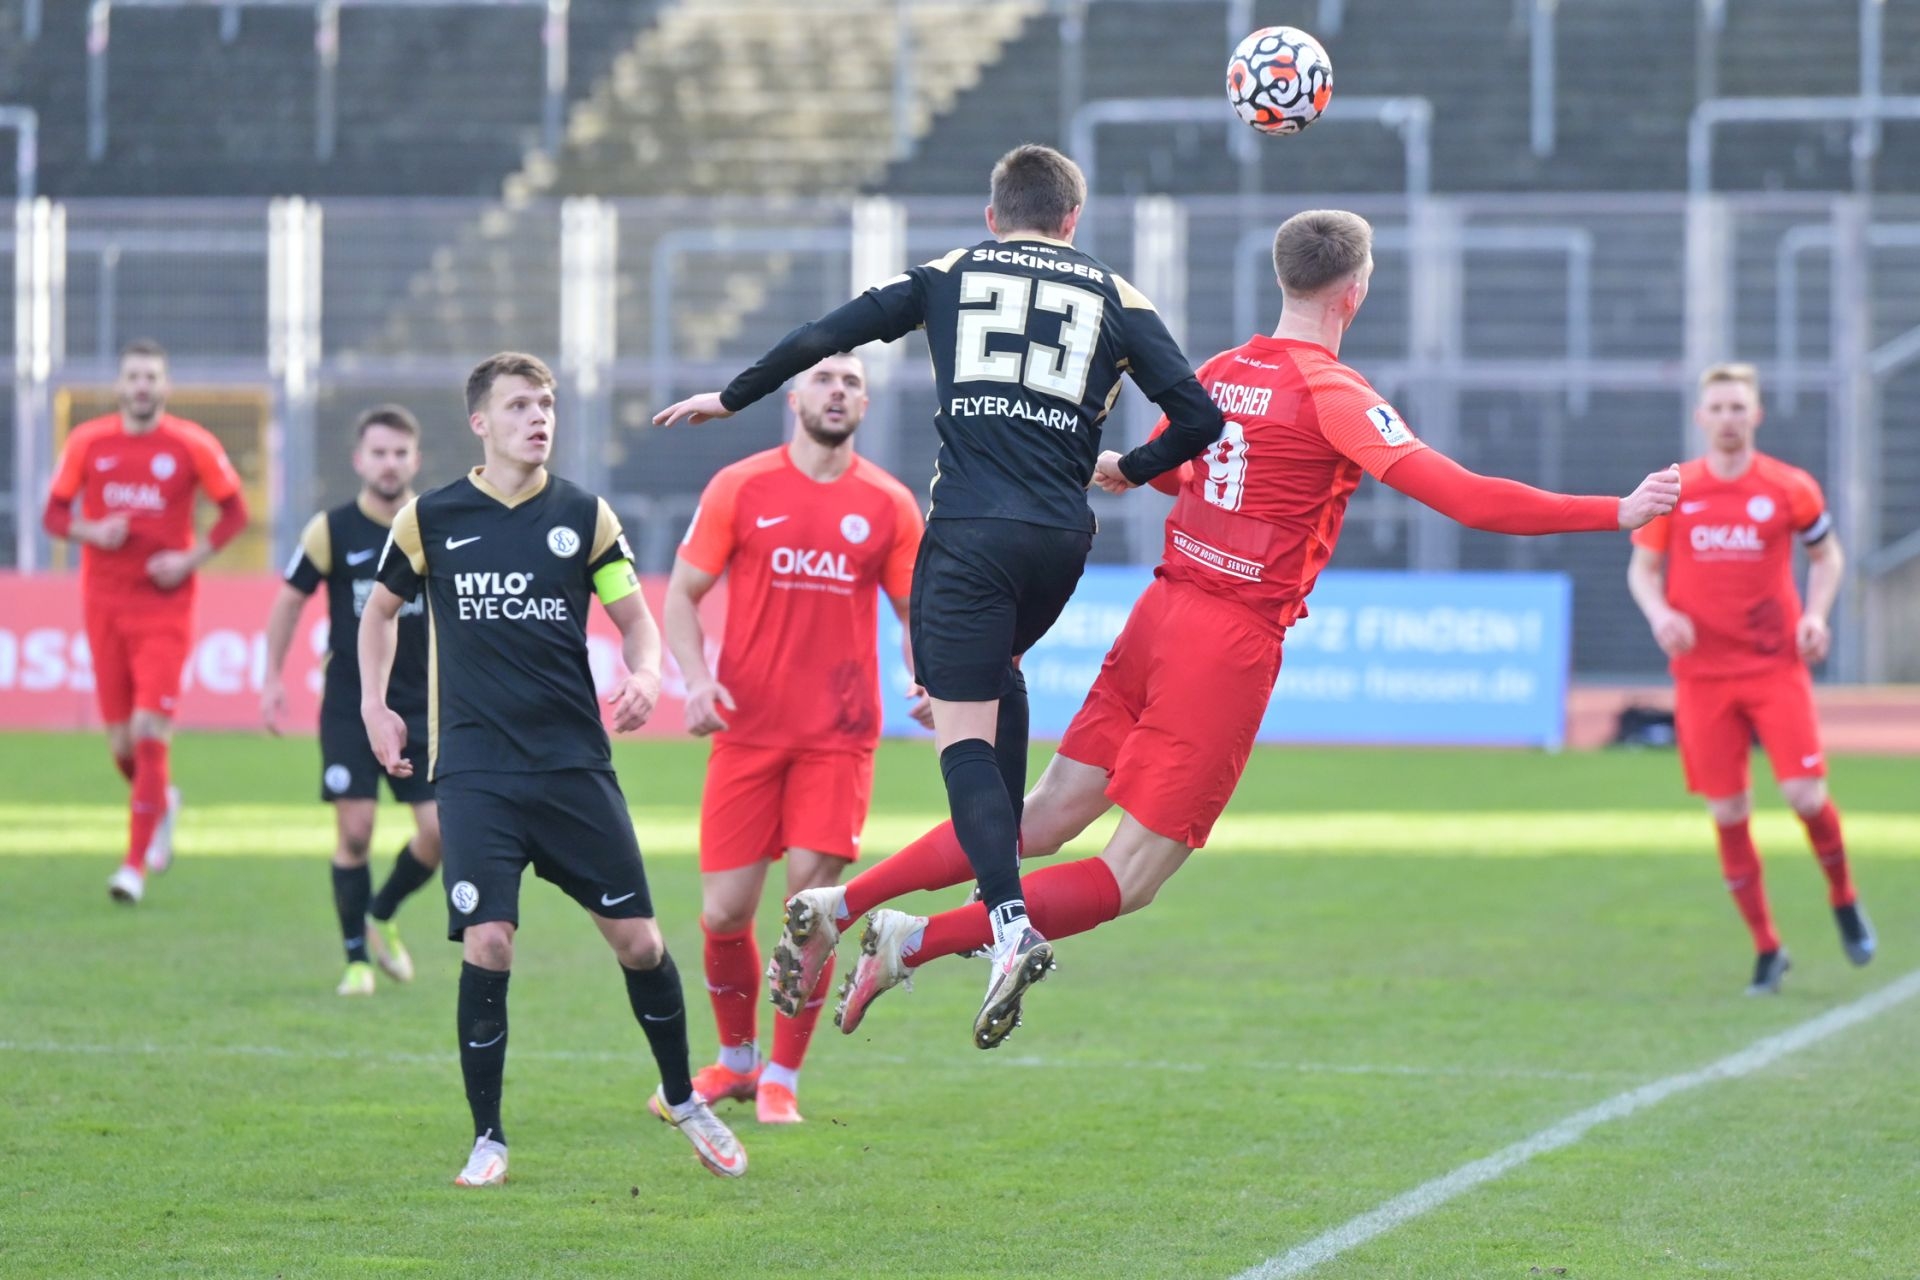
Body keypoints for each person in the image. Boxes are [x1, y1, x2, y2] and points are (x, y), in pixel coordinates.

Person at [766, 209, 1683, 1045]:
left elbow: (1186, 468)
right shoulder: (1335, 394)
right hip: (1227, 643)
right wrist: (1617, 510)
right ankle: (913, 939)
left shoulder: (1227, 371)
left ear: (1282, 278)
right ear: (1356, 292)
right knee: (1130, 875)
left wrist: (1125, 466)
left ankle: (842, 901)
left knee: (1039, 817)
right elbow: (1467, 498)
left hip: (1159, 614)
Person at [654, 144, 1227, 1049]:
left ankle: (1006, 924)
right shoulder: (1118, 294)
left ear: (993, 215)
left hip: (966, 540)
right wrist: (1130, 465)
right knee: (997, 698)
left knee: (962, 740)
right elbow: (1201, 416)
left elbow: (825, 334)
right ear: (1072, 220)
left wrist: (734, 396)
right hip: (1059, 544)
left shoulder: (951, 271)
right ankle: (909, 904)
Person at [359, 352, 745, 1186]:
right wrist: (375, 703)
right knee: (489, 940)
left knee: (640, 943)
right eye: (519, 405)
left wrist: (647, 674)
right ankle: (488, 1138)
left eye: (545, 404)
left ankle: (683, 1098)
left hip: (573, 767)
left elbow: (635, 619)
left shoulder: (583, 515)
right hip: (475, 772)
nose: (538, 418)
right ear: (481, 422)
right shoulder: (430, 518)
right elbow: (379, 612)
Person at [665, 352, 930, 1124]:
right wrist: (697, 679)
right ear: (793, 396)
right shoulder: (739, 486)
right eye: (823, 378)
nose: (837, 390)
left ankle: (782, 1075)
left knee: (808, 915)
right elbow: (682, 596)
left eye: (852, 382)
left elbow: (915, 613)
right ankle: (736, 1061)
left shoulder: (889, 504)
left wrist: (927, 678)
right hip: (745, 732)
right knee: (723, 914)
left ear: (865, 405)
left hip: (836, 739)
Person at [1627, 363, 1872, 995]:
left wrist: (1816, 615)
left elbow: (1827, 556)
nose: (1728, 418)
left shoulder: (1788, 487)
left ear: (1756, 415)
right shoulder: (1677, 489)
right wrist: (1660, 616)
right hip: (1702, 676)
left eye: (1738, 407)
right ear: (1700, 417)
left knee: (1805, 797)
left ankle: (1843, 896)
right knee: (1729, 810)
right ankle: (1767, 948)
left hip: (1773, 667)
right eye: (1718, 407)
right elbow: (1643, 571)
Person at [41, 338, 249, 905]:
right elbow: (53, 514)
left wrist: (189, 559)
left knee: (149, 729)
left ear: (165, 386)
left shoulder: (190, 444)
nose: (141, 386)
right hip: (104, 603)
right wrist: (91, 530)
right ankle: (162, 802)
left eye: (151, 377)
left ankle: (132, 866)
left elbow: (235, 511)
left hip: (165, 606)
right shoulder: (88, 441)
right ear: (119, 385)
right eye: (133, 376)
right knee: (120, 743)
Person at [262, 405, 443, 997]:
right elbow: (289, 601)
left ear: (415, 460)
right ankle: (356, 962)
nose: (389, 464)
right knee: (357, 832)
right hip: (351, 703)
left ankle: (381, 912)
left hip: (421, 703)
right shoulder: (331, 529)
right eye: (379, 453)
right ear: (359, 460)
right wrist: (272, 676)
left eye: (399, 453)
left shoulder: (434, 525)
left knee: (439, 834)